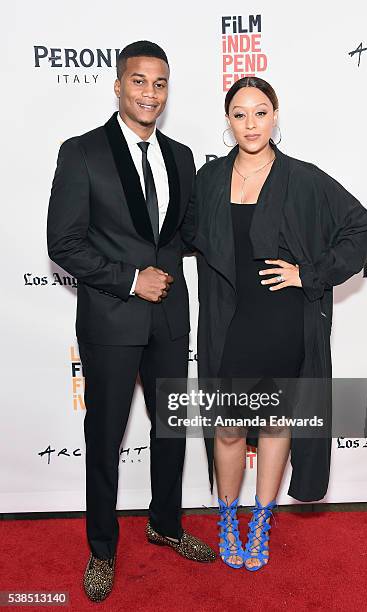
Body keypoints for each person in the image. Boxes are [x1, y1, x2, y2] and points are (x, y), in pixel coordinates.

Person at [47, 40, 215, 603]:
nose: (151, 92)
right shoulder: (83, 153)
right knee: (105, 435)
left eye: (160, 83)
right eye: (139, 81)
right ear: (118, 85)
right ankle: (102, 549)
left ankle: (166, 523)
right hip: (112, 318)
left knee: (169, 430)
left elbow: (188, 234)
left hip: (170, 317)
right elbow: (63, 242)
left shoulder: (181, 156)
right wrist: (128, 277)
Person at [191, 76, 367, 571]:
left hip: (283, 324)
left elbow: (362, 228)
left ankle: (262, 518)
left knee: (275, 426)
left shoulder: (304, 178)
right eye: (239, 114)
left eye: (260, 112)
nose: (250, 124)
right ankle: (227, 518)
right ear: (227, 121)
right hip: (228, 324)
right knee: (229, 430)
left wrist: (310, 273)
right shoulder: (208, 180)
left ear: (276, 117)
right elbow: (181, 236)